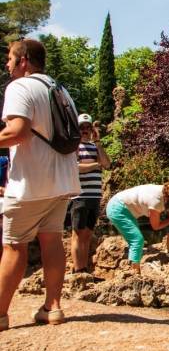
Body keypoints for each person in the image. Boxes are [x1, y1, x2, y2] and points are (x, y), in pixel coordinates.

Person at [0, 39, 81, 331]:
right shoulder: (61, 90)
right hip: (62, 182)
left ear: (23, 60)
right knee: (52, 240)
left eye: (10, 58)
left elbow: (18, 132)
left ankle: (0, 315)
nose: (7, 64)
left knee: (13, 246)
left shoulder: (20, 87)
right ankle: (53, 307)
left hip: (30, 183)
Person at [106, 180, 169, 274]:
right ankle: (135, 274)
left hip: (121, 206)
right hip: (118, 209)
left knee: (134, 241)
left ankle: (130, 268)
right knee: (137, 240)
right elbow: (156, 226)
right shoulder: (156, 201)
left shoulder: (164, 190)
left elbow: (168, 207)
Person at [70, 114, 110, 273]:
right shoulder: (74, 147)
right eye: (82, 128)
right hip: (79, 196)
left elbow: (106, 164)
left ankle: (84, 268)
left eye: (88, 127)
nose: (85, 130)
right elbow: (74, 167)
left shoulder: (95, 146)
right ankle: (78, 270)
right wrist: (95, 165)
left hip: (95, 196)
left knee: (87, 234)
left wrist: (98, 141)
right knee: (77, 233)